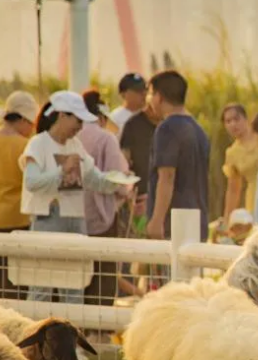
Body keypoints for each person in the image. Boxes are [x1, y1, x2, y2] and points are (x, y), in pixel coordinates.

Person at [20, 92, 130, 304]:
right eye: (78, 120)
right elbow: (31, 182)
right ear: (62, 116)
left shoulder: (75, 145)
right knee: (42, 285)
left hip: (76, 220)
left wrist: (116, 181)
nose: (80, 127)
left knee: (74, 286)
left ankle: (72, 333)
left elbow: (94, 179)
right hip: (48, 219)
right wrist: (62, 172)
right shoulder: (38, 144)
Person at [0, 91, 38, 298]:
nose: (31, 128)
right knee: (14, 289)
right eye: (30, 122)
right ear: (21, 119)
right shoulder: (24, 146)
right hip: (15, 222)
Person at [78, 90, 136, 305]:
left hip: (73, 216)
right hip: (101, 216)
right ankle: (98, 328)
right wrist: (128, 185)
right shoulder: (106, 138)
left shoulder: (70, 136)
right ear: (101, 116)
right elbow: (118, 180)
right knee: (103, 274)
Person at [146, 70, 211, 243]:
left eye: (151, 94)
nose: (150, 100)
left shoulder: (167, 128)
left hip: (173, 224)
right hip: (198, 222)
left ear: (159, 97)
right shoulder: (199, 130)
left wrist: (157, 220)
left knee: (169, 270)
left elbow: (167, 176)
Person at [119, 86, 160, 237]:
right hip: (138, 199)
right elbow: (124, 162)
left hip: (162, 198)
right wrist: (129, 195)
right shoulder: (133, 124)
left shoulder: (169, 124)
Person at [221, 103, 258, 226]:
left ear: (246, 119)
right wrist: (227, 220)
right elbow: (233, 190)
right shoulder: (232, 152)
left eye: (236, 119)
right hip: (254, 198)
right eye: (228, 121)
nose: (233, 124)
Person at [110, 73, 148, 137]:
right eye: (138, 90)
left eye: (145, 90)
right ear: (123, 94)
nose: (143, 93)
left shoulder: (151, 116)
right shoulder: (115, 119)